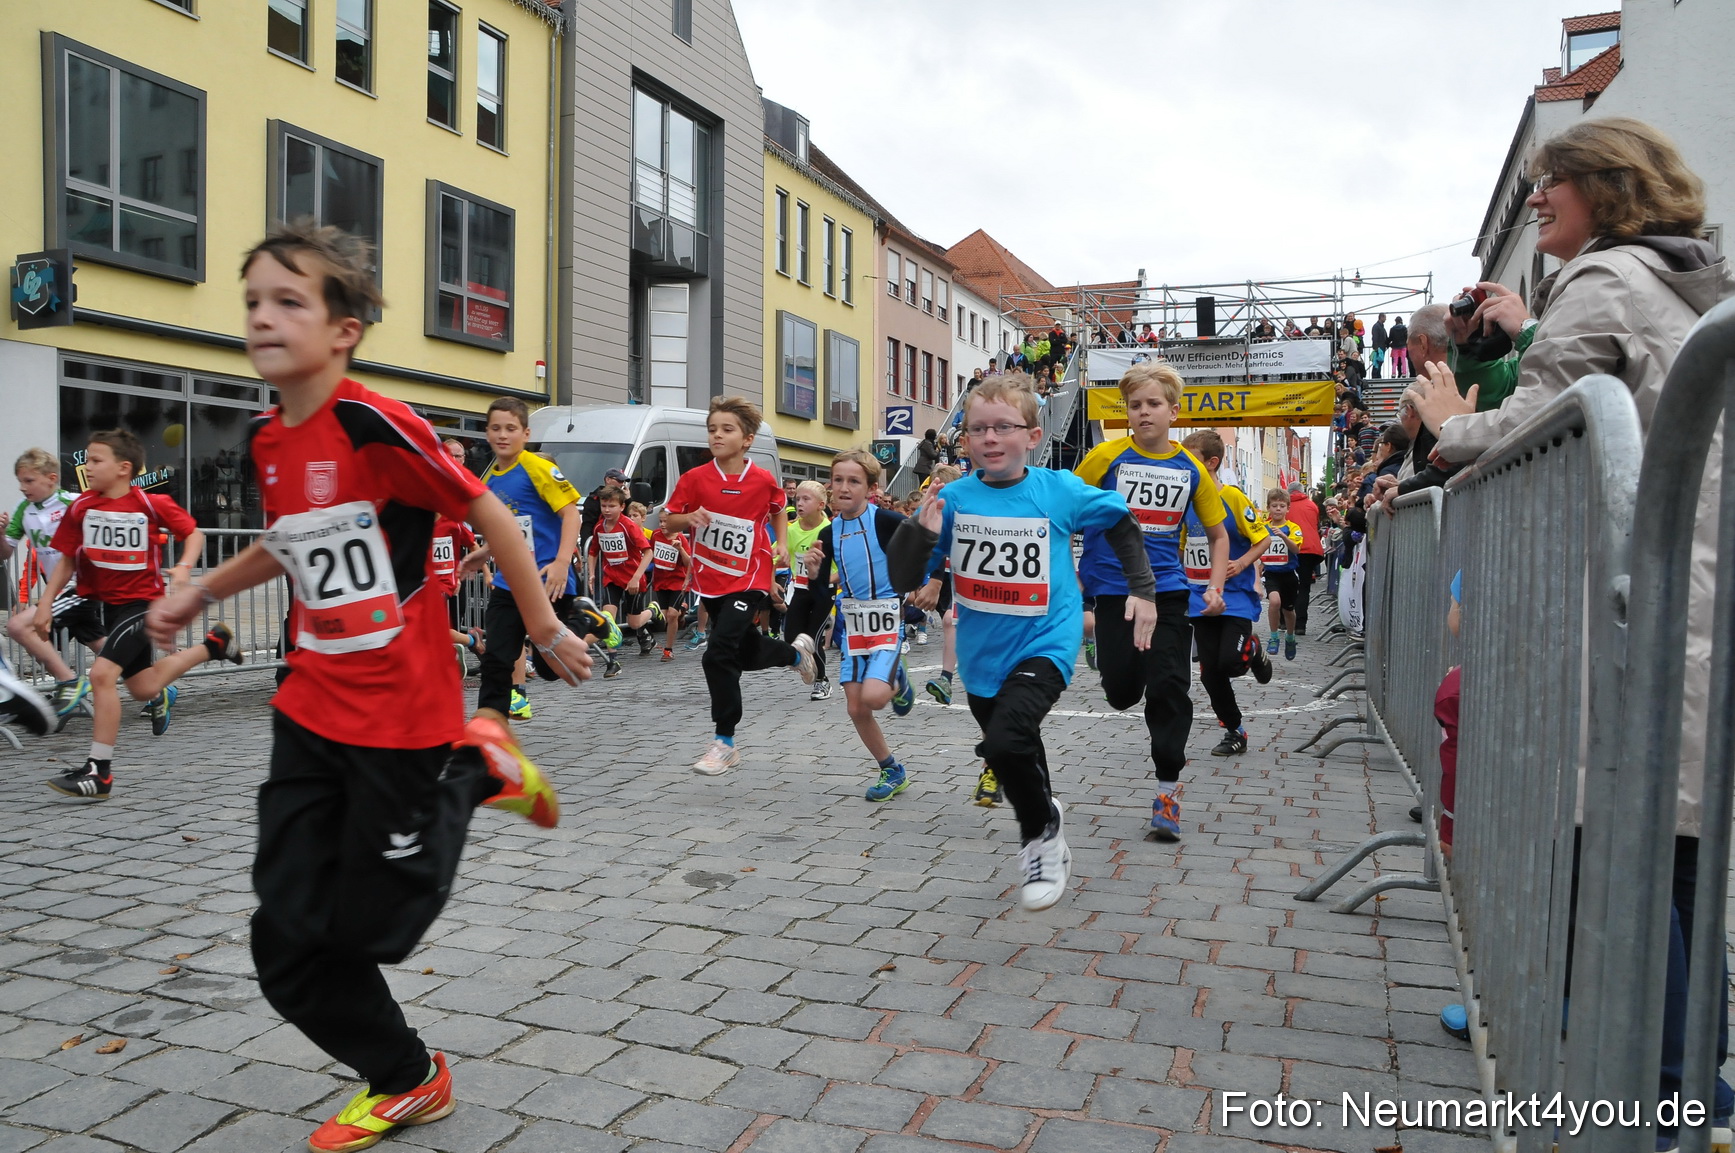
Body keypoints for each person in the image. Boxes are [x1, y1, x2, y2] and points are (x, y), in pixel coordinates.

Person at [147, 220, 592, 1153]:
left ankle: (480, 762)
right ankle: (406, 1075)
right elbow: (286, 543)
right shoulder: (272, 437)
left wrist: (544, 626)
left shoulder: (374, 421)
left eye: (289, 301)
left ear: (343, 327)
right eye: (253, 301)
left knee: (381, 926)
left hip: (402, 710)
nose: (263, 317)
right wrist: (196, 591)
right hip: (310, 704)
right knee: (286, 933)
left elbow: (485, 509)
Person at [1407, 118, 1735, 1138]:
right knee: (1677, 841)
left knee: (1615, 839)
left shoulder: (1604, 279)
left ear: (1605, 187)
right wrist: (1530, 340)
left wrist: (1446, 419)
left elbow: (1538, 421)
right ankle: (1686, 1073)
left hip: (1632, 592)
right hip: (1690, 590)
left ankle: (1661, 1091)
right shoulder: (1677, 284)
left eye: (1549, 183)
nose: (1537, 199)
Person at [888, 373, 1157, 910]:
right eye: (976, 429)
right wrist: (920, 532)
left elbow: (1122, 521)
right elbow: (901, 579)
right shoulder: (955, 499)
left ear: (1032, 437)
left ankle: (1038, 839)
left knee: (1006, 744)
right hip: (982, 654)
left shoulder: (1058, 490)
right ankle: (1045, 814)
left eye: (1003, 428)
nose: (989, 438)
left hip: (1046, 639)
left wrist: (1142, 591)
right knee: (1021, 750)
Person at [35, 430, 241, 797]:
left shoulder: (150, 504)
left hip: (144, 604)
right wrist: (44, 604)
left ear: (123, 468)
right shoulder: (82, 506)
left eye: (96, 460)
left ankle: (99, 773)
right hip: (110, 606)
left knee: (101, 675)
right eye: (87, 459)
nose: (88, 466)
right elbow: (67, 560)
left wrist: (183, 567)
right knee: (143, 686)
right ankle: (214, 645)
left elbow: (193, 534)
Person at [1073, 361, 1228, 842]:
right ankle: (1102, 644)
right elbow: (1065, 512)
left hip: (1169, 593)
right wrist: (1070, 578)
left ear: (1173, 412)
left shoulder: (1191, 468)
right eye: (1134, 406)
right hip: (1114, 590)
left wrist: (1216, 586)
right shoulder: (1104, 458)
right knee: (1122, 693)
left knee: (1169, 689)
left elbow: (1219, 535)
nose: (1143, 413)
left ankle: (1167, 792)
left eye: (1153, 404)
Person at [661, 397, 817, 774]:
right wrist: (688, 518)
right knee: (743, 653)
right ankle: (796, 655)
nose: (717, 435)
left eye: (726, 429)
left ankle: (724, 741)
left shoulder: (762, 479)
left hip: (750, 579)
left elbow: (780, 508)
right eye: (712, 429)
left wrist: (780, 542)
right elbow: (667, 522)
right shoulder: (694, 478)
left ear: (747, 439)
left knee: (717, 654)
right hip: (710, 580)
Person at [471, 398, 610, 711]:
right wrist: (484, 552)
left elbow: (571, 515)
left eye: (511, 428)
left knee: (549, 669)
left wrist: (562, 563)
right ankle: (489, 732)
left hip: (549, 578)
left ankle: (584, 616)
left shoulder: (538, 467)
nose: (502, 435)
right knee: (496, 659)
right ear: (487, 433)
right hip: (510, 582)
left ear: (526, 433)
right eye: (496, 428)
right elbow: (508, 527)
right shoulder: (490, 478)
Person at [804, 450, 915, 801]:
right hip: (855, 626)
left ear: (871, 488)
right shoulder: (829, 530)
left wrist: (928, 582)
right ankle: (891, 769)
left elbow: (923, 544)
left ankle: (896, 677)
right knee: (856, 708)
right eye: (838, 480)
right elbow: (821, 590)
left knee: (875, 697)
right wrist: (812, 573)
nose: (844, 487)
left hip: (886, 619)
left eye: (854, 481)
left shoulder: (885, 520)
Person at [1180, 431, 1272, 755]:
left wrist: (1243, 561)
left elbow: (1264, 538)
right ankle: (1236, 731)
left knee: (1231, 662)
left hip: (1234, 597)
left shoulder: (1233, 498)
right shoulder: (1186, 503)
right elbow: (1184, 548)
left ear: (1211, 462)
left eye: (1191, 458)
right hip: (1199, 598)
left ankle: (1254, 648)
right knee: (1210, 674)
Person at [2, 448, 103, 725]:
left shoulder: (72, 502)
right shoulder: (24, 510)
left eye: (29, 481)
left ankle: (69, 682)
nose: (23, 488)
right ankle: (157, 687)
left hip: (82, 585)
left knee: (19, 626)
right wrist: (0, 534)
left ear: (51, 478)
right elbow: (5, 554)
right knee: (99, 642)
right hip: (57, 589)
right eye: (20, 481)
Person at [911, 463, 963, 708]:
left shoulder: (965, 509)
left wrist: (935, 580)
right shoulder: (927, 509)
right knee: (950, 622)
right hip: (941, 575)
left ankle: (946, 679)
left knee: (949, 621)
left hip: (962, 577)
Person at [586, 486, 657, 660]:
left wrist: (636, 577)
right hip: (611, 578)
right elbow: (593, 551)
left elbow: (648, 553)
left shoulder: (628, 526)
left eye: (611, 506)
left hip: (633, 579)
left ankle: (653, 610)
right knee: (608, 617)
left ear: (622, 507)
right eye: (604, 506)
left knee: (634, 623)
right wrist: (591, 574)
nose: (607, 510)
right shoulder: (599, 527)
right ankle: (613, 660)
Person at [781, 480, 833, 699]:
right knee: (791, 638)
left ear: (821, 504)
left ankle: (822, 682)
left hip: (824, 591)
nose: (799, 504)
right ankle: (806, 666)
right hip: (801, 589)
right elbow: (778, 556)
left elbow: (843, 566)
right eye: (797, 499)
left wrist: (821, 577)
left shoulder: (829, 531)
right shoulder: (791, 531)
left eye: (805, 499)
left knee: (812, 638)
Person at [1261, 488, 1303, 661]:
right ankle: (1274, 637)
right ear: (1268, 508)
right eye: (1274, 506)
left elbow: (1296, 549)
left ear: (1288, 509)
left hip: (1289, 574)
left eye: (1281, 506)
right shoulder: (1263, 528)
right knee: (1274, 602)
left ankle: (1290, 637)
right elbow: (1259, 550)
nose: (1278, 509)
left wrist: (1283, 537)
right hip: (1271, 573)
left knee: (1288, 610)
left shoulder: (1293, 528)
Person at [648, 519, 691, 662]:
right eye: (660, 521)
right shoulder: (655, 535)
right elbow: (650, 554)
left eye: (666, 521)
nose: (662, 524)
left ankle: (668, 650)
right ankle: (682, 610)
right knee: (665, 618)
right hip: (661, 581)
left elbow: (688, 562)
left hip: (678, 581)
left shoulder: (681, 538)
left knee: (672, 615)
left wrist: (680, 549)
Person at [1285, 481, 1324, 635]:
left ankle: (1284, 620)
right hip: (1308, 549)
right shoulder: (1312, 505)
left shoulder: (1284, 505)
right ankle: (1300, 625)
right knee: (1304, 587)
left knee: (1285, 584)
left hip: (1287, 548)